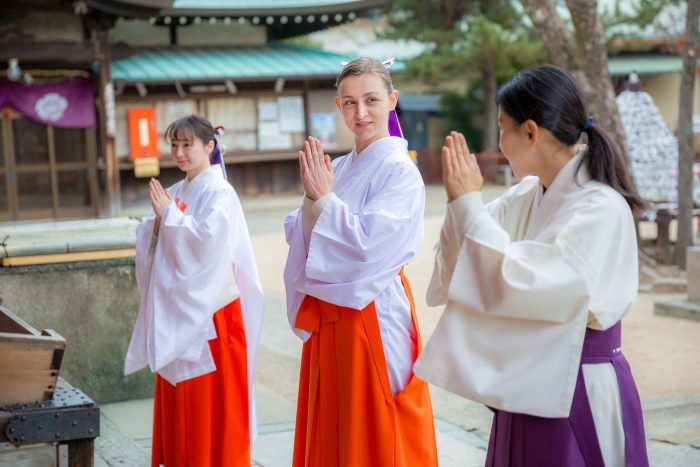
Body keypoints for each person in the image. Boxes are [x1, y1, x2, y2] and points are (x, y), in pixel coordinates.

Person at [414, 65, 650, 467]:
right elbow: (470, 246)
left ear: (530, 132)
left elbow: (533, 283)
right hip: (528, 382)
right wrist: (460, 204)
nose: (499, 140)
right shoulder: (527, 193)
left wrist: (469, 205)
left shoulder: (600, 206)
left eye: (503, 128)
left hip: (578, 384)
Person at [283, 57, 438, 467]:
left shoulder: (401, 172)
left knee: (376, 423)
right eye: (349, 103)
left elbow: (371, 244)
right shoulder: (339, 166)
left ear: (392, 100)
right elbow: (298, 230)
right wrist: (312, 199)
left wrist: (324, 201)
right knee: (333, 419)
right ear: (338, 106)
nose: (361, 112)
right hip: (331, 310)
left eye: (371, 99)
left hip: (374, 309)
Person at [124, 115, 264, 467]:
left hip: (214, 315)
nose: (180, 152)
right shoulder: (177, 191)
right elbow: (152, 238)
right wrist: (157, 225)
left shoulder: (220, 192)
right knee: (183, 399)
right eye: (174, 145)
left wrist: (169, 217)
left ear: (209, 146)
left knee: (211, 404)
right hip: (182, 310)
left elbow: (208, 243)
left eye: (188, 144)